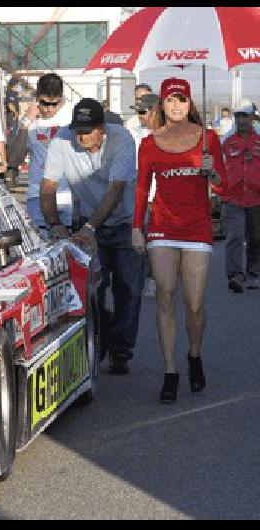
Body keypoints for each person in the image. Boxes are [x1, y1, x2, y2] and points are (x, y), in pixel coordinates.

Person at [131, 77, 226, 404]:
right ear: (161, 105)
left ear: (190, 104)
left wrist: (212, 171)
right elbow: (142, 188)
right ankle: (170, 370)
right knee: (166, 296)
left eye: (181, 100)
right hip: (161, 228)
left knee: (194, 303)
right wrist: (136, 227)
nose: (175, 106)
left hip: (198, 226)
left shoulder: (208, 139)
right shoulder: (149, 143)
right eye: (170, 101)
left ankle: (194, 355)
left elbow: (224, 188)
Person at [40, 98, 143, 376]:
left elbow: (116, 189)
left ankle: (121, 350)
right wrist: (53, 224)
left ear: (103, 129)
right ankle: (100, 337)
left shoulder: (122, 139)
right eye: (78, 130)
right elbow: (48, 186)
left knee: (129, 289)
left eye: (89, 130)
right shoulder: (62, 139)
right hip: (85, 220)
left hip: (123, 222)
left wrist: (91, 229)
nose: (82, 136)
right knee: (91, 290)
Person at [8, 73, 74, 230]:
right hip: (37, 196)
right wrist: (25, 123)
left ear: (61, 99)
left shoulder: (72, 115)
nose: (49, 109)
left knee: (72, 249)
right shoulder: (29, 119)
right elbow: (15, 159)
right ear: (37, 98)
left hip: (68, 195)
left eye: (55, 104)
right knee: (43, 249)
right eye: (44, 103)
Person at [219, 98, 260, 292]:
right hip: (232, 198)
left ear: (253, 116)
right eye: (238, 116)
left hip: (256, 198)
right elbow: (218, 168)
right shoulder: (225, 140)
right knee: (235, 236)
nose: (242, 120)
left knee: (256, 238)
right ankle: (235, 275)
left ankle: (254, 273)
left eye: (245, 115)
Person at [128, 92, 162, 298]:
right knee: (142, 238)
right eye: (138, 112)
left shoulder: (168, 135)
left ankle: (156, 276)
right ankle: (147, 278)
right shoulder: (132, 132)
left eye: (143, 112)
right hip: (141, 194)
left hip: (163, 196)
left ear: (155, 112)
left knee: (157, 241)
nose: (140, 116)